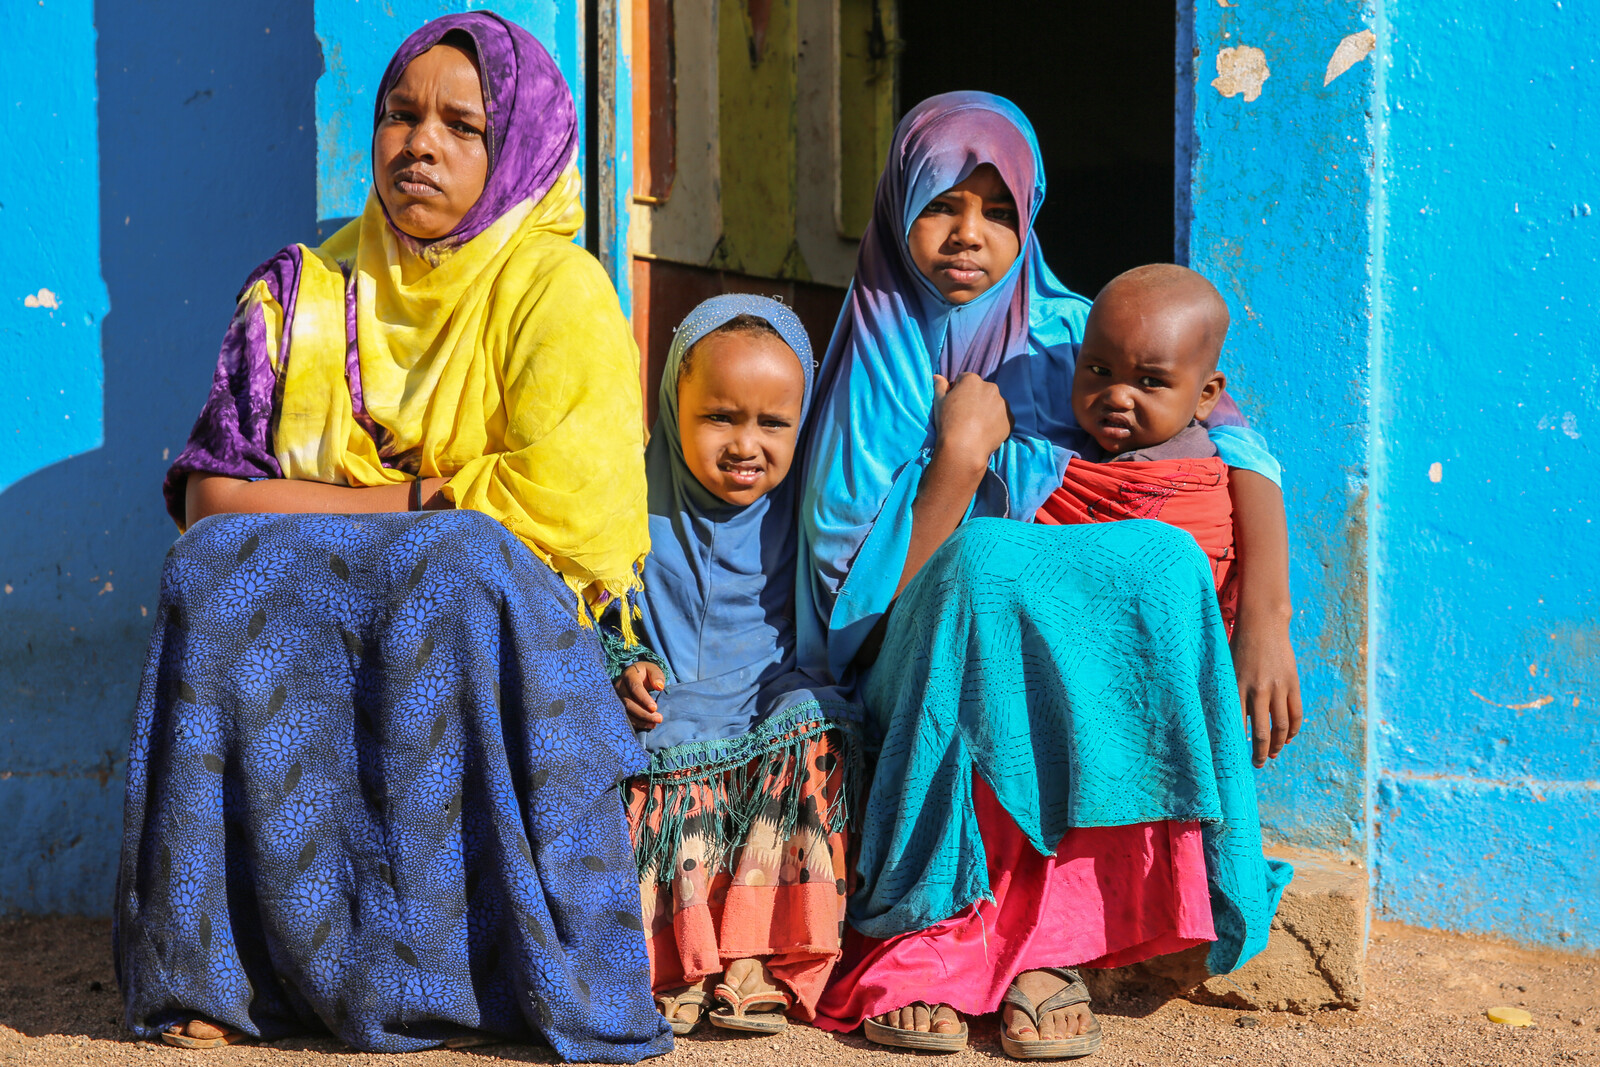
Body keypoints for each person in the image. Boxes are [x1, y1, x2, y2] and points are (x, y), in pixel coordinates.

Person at [113, 14, 672, 1060]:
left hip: (503, 627)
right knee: (214, 574)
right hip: (381, 567)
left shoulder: (557, 291)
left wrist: (382, 513)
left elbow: (572, 507)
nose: (419, 144)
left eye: (463, 125)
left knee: (457, 563)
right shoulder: (301, 293)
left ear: (518, 152)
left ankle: (476, 975)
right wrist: (417, 500)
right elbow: (210, 506)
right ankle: (221, 972)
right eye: (399, 116)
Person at [801, 92, 1300, 1059]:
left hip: (1037, 653)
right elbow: (847, 615)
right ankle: (929, 936)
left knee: (1154, 559)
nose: (967, 235)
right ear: (898, 207)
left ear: (1030, 217)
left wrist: (1267, 617)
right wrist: (955, 463)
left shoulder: (1077, 336)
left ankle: (1054, 943)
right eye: (942, 203)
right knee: (987, 566)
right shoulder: (868, 369)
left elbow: (1237, 440)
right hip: (915, 653)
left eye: (997, 210)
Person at [605, 295, 862, 1037]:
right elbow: (590, 604)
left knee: (811, 721)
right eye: (720, 417)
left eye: (773, 423)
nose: (746, 444)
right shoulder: (628, 502)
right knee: (650, 754)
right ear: (670, 406)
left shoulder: (814, 514)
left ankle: (757, 955)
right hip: (667, 705)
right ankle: (673, 959)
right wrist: (623, 661)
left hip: (766, 694)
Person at [1036, 264, 1244, 627]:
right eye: (1099, 371)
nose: (1117, 396)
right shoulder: (1071, 457)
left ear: (1206, 396)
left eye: (1149, 381)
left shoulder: (1197, 475)